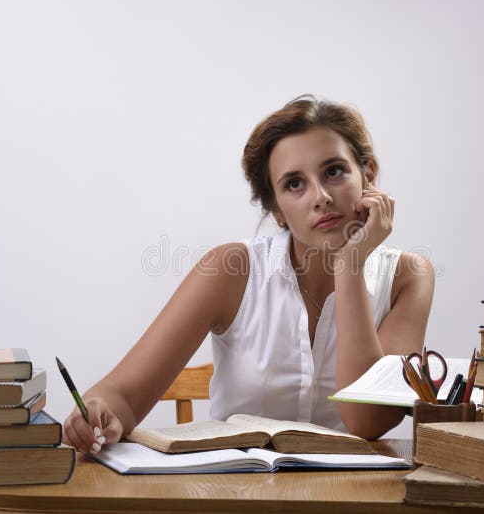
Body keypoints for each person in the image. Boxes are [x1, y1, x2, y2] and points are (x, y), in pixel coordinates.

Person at [62, 95, 435, 453]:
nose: (320, 196)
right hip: (238, 492)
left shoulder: (408, 276)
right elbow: (123, 396)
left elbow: (367, 420)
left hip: (350, 498)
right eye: (294, 184)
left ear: (368, 174)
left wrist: (351, 265)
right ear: (276, 208)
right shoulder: (229, 270)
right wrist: (95, 412)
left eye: (334, 171)